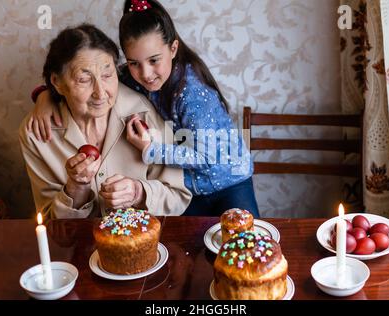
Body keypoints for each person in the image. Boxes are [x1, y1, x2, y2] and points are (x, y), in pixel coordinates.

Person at [27, 0, 260, 217]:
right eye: (134, 63)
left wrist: (151, 150)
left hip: (229, 182)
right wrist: (46, 94)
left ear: (173, 48)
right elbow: (99, 76)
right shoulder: (128, 77)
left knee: (247, 245)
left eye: (154, 60)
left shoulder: (193, 94)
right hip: (190, 187)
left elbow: (208, 158)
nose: (146, 74)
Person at [19, 23, 191, 219]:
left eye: (108, 75)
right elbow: (50, 224)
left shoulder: (143, 112)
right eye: (84, 80)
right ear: (57, 83)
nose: (100, 93)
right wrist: (76, 188)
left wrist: (138, 193)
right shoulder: (37, 133)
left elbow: (179, 196)